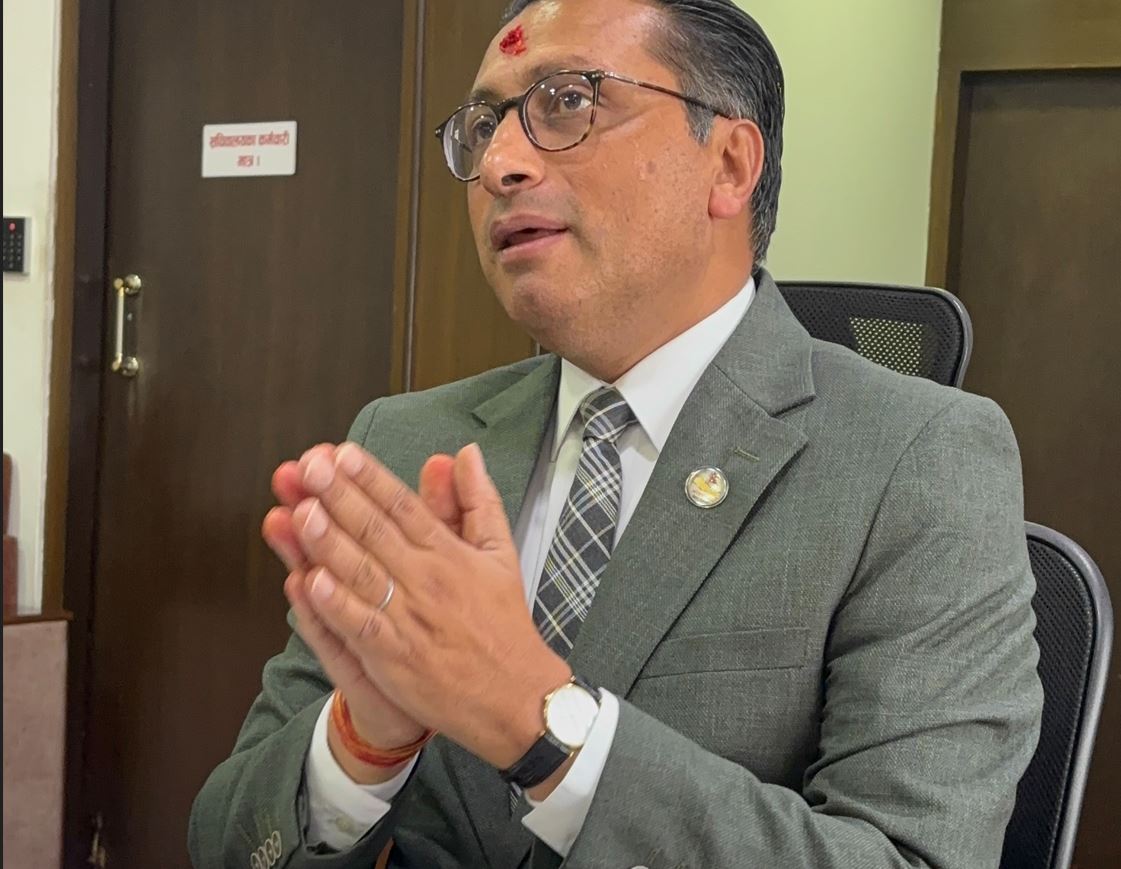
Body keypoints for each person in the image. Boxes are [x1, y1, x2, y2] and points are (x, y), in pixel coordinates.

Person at [189, 1, 1043, 866]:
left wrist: (540, 725)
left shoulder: (914, 460)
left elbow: (908, 855)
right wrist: (362, 743)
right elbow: (228, 839)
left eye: (568, 101)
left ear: (728, 165)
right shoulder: (410, 442)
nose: (500, 163)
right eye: (484, 125)